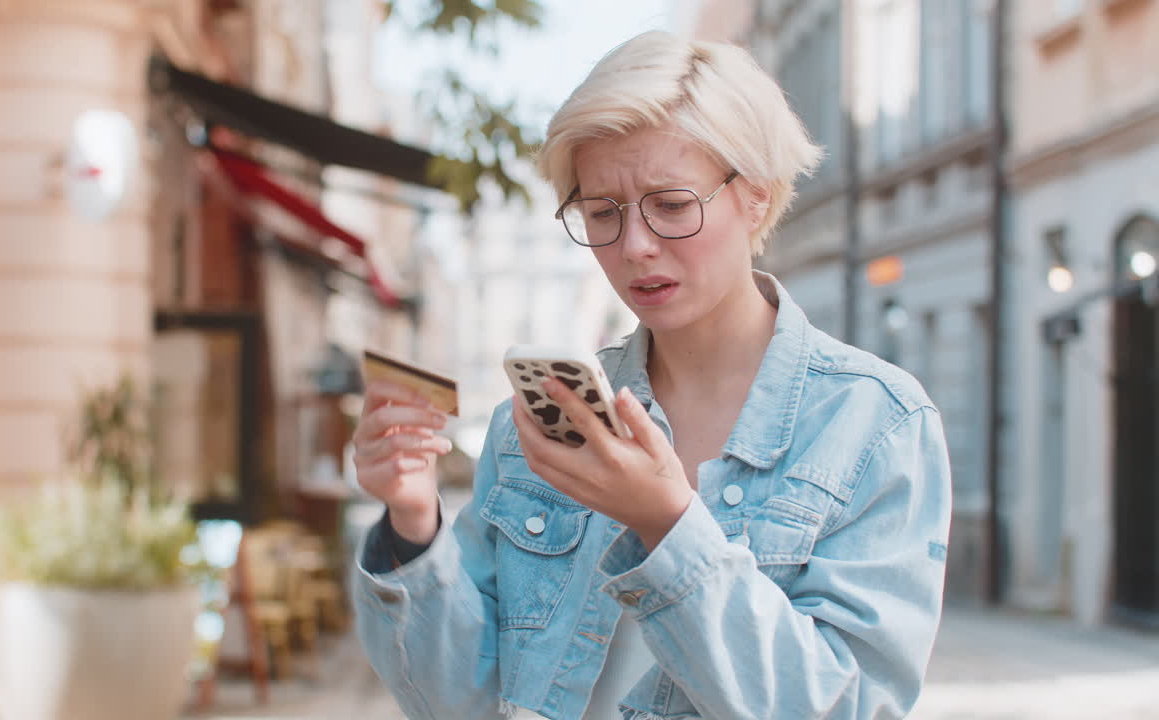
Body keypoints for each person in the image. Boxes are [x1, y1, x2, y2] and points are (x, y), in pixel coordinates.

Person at [349, 30, 951, 720]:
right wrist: (413, 519)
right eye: (602, 213)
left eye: (671, 205)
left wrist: (668, 525)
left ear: (754, 197)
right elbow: (457, 703)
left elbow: (848, 708)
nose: (634, 246)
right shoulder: (540, 424)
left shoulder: (875, 425)